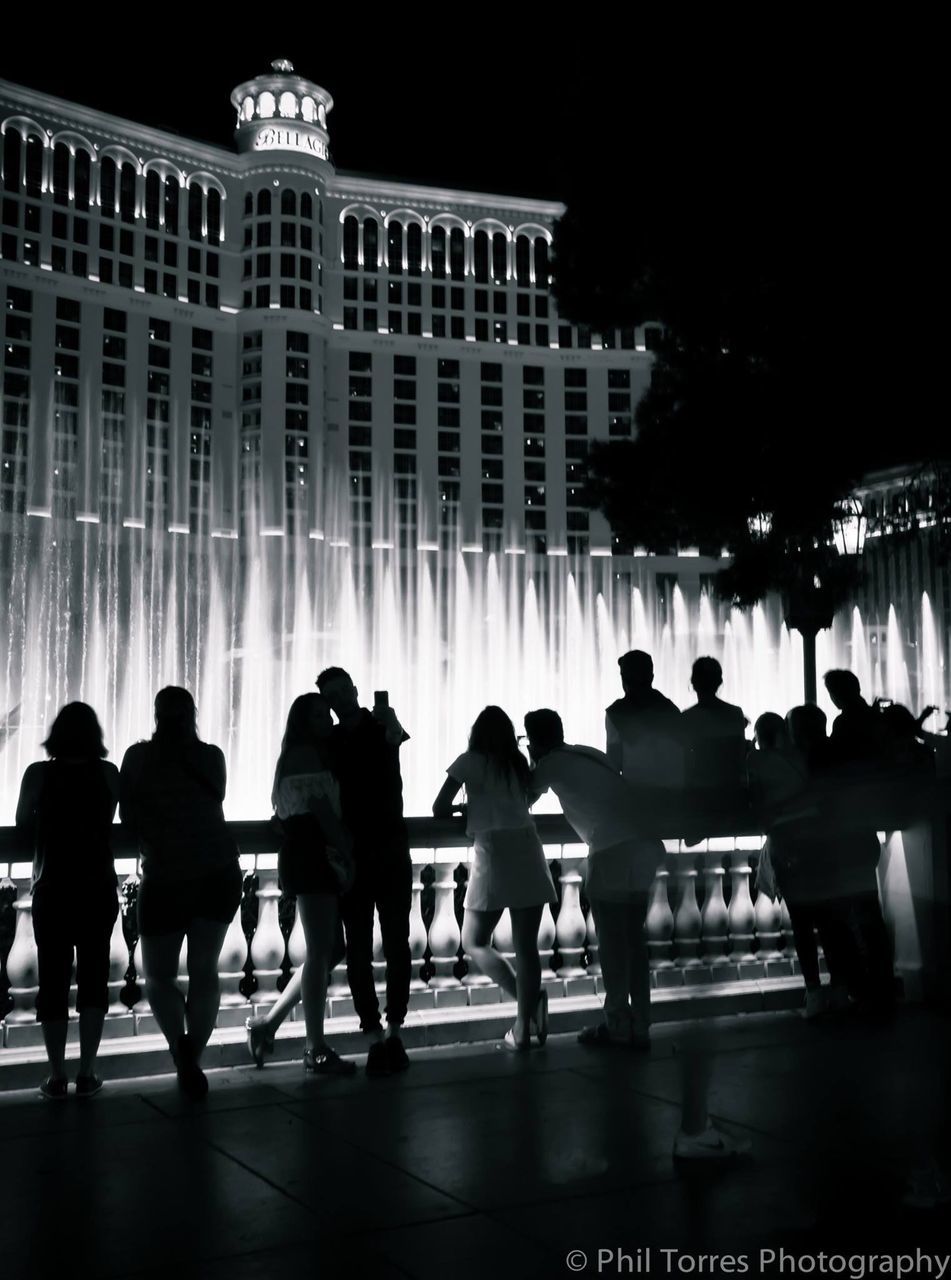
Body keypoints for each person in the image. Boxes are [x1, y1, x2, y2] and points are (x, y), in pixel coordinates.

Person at [119, 687, 242, 1098]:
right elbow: (219, 796)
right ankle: (194, 1057)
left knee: (159, 975)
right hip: (217, 871)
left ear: (156, 715)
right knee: (204, 968)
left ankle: (180, 1052)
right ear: (192, 713)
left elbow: (127, 815)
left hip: (166, 875)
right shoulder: (211, 756)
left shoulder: (138, 758)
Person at [524, 709, 661, 1049]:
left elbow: (521, 799)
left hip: (612, 852)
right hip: (643, 846)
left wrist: (531, 760)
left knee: (614, 946)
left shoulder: (551, 763)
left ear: (535, 740)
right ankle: (641, 1025)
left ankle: (617, 1024)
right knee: (634, 943)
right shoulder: (588, 754)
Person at [245, 693, 356, 1076]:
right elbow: (322, 813)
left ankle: (268, 1025)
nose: (328, 718)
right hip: (314, 856)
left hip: (306, 853)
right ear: (305, 720)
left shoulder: (295, 756)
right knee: (322, 950)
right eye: (321, 713)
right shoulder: (306, 756)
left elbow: (285, 813)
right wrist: (348, 854)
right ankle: (315, 1048)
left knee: (329, 950)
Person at [433, 706, 555, 1050]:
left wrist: (465, 810)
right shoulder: (517, 764)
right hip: (528, 848)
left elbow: (439, 807)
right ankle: (523, 1026)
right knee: (527, 948)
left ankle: (527, 1008)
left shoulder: (468, 761)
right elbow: (527, 799)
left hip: (493, 851)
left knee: (474, 940)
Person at [15, 703, 120, 1099]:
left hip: (52, 888)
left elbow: (23, 820)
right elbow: (122, 820)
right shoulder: (108, 774)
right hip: (96, 886)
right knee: (94, 978)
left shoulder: (39, 774)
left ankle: (57, 1074)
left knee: (53, 980)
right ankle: (87, 1072)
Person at [316, 667, 412, 1076]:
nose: (339, 699)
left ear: (354, 690)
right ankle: (375, 1033)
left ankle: (393, 1031)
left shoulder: (382, 723)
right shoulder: (329, 741)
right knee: (359, 945)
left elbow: (396, 737)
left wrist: (388, 718)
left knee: (395, 942)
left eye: (342, 691)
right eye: (330, 695)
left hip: (388, 848)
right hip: (356, 852)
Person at [751, 710, 851, 1018]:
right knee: (828, 920)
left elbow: (756, 800)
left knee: (802, 923)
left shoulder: (755, 761)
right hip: (818, 841)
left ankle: (814, 993)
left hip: (787, 842)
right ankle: (839, 990)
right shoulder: (801, 756)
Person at [605, 650, 683, 787]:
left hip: (636, 794)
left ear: (623, 679)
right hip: (672, 795)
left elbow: (613, 765)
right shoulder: (671, 710)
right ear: (652, 677)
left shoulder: (617, 713)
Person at [680, 656, 749, 791]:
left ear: (693, 683)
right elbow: (740, 758)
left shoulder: (687, 718)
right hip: (730, 790)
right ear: (719, 682)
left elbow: (685, 762)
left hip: (698, 791)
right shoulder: (735, 714)